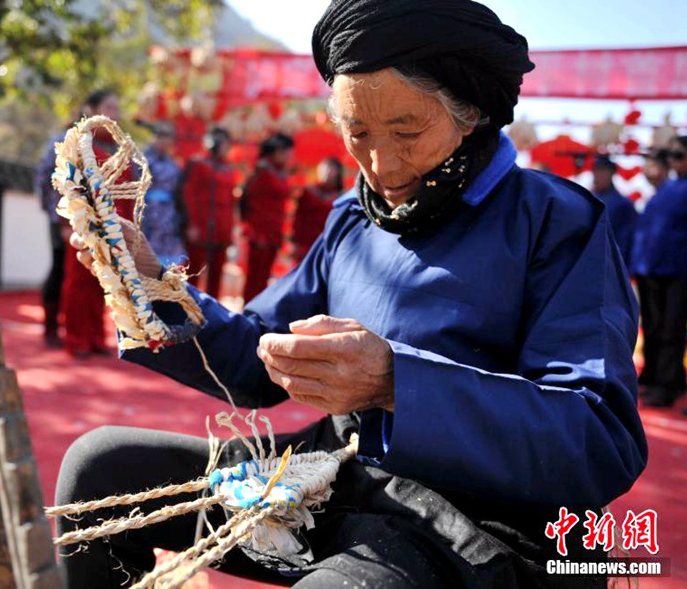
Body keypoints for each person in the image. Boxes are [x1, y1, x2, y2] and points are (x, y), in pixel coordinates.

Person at [57, 1, 647, 587]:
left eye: (407, 130)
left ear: (471, 114)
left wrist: (397, 383)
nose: (382, 166)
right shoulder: (351, 218)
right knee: (100, 471)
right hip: (334, 481)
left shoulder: (555, 222)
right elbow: (255, 358)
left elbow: (599, 440)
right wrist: (149, 282)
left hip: (471, 525)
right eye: (357, 132)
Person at [61, 90, 135, 358]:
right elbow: (61, 186)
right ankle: (76, 339)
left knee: (102, 282)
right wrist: (65, 222)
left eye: (116, 109)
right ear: (90, 109)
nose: (113, 114)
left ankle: (95, 338)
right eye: (108, 107)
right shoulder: (75, 143)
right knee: (79, 282)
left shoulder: (120, 147)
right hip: (84, 226)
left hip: (115, 228)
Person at [631, 135, 687, 408]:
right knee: (652, 327)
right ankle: (651, 379)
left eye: (679, 154)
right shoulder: (667, 186)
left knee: (672, 330)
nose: (672, 159)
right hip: (651, 268)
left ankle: (668, 385)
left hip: (680, 270)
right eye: (670, 155)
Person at [177, 127, 236, 298]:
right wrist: (190, 224)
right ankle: (185, 310)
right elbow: (187, 194)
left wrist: (230, 228)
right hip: (200, 227)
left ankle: (213, 315)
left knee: (216, 277)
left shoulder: (228, 168)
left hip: (221, 229)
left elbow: (231, 201)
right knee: (192, 273)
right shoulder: (197, 163)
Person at [241, 133, 295, 302]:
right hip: (260, 234)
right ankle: (248, 311)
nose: (289, 157)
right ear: (277, 152)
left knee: (263, 277)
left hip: (272, 232)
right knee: (254, 277)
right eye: (286, 152)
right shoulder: (263, 173)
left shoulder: (276, 172)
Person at [36, 123, 71, 347]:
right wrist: (57, 215)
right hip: (61, 217)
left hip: (86, 218)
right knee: (58, 268)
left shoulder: (102, 144)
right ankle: (50, 328)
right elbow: (44, 178)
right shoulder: (62, 141)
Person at [142, 122, 186, 266]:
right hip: (147, 213)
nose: (165, 140)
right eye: (162, 135)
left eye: (169, 136)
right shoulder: (141, 159)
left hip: (169, 216)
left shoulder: (173, 164)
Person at [292, 157, 344, 262]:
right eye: (324, 168)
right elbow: (298, 217)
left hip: (328, 244)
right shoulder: (308, 192)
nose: (327, 172)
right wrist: (295, 241)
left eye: (330, 169)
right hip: (305, 244)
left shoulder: (342, 198)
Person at [592, 155, 637, 269]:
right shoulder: (589, 200)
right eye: (597, 171)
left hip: (611, 263)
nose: (600, 175)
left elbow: (626, 239)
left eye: (603, 171)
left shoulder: (623, 204)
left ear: (611, 173)